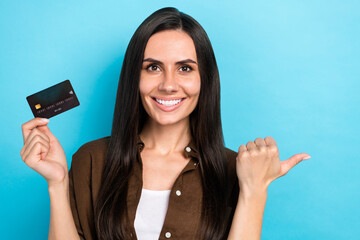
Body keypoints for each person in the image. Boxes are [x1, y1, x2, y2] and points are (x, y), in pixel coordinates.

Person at [20, 7, 311, 240]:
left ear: (204, 80)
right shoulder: (92, 160)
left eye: (185, 68)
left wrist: (255, 189)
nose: (169, 85)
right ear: (135, 77)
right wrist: (57, 183)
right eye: (153, 67)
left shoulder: (234, 169)